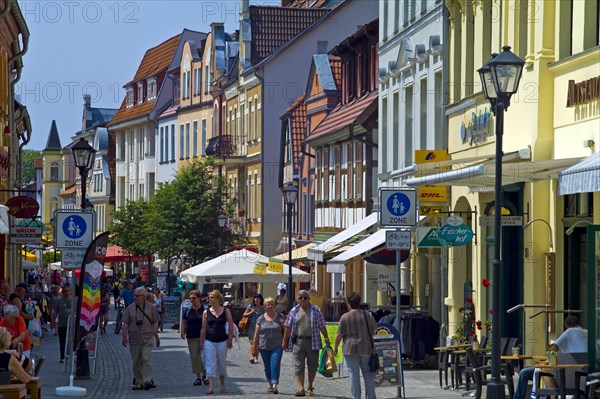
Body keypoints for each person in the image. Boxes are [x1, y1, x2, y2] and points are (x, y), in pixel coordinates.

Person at [513, 315, 588, 399]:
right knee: (535, 371)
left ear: (567, 325)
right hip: (583, 372)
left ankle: (553, 395)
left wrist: (548, 347)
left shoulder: (569, 331)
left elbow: (553, 348)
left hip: (566, 374)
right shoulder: (586, 332)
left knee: (533, 371)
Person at [282, 289, 330, 397]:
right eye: (301, 298)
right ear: (297, 299)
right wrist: (284, 340)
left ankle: (310, 385)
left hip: (313, 341)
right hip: (298, 341)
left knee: (312, 366)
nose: (303, 299)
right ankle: (300, 388)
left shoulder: (316, 310)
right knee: (298, 365)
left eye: (305, 297)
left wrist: (326, 337)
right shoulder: (294, 311)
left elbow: (322, 325)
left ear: (309, 299)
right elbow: (288, 327)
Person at [334, 292, 378, 399]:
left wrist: (335, 347)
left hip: (350, 349)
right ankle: (371, 397)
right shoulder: (368, 315)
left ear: (348, 303)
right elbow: (375, 329)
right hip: (366, 348)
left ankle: (357, 397)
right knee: (367, 373)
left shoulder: (345, 317)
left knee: (353, 374)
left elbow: (339, 334)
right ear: (360, 302)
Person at [121, 287, 160, 391]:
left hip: (147, 337)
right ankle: (139, 382)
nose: (135, 297)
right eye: (134, 295)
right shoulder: (129, 308)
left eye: (137, 296)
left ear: (143, 297)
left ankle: (148, 380)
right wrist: (124, 336)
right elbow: (125, 323)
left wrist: (155, 332)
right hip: (134, 338)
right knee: (136, 361)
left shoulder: (151, 307)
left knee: (146, 358)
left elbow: (156, 321)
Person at [200, 289, 234, 395]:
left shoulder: (225, 311)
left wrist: (230, 339)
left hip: (222, 341)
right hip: (209, 340)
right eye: (209, 297)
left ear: (218, 299)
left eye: (212, 297)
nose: (210, 299)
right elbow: (203, 328)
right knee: (210, 363)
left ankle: (223, 385)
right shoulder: (206, 312)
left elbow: (231, 325)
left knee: (222, 363)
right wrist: (201, 341)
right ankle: (211, 387)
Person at [251, 296, 285, 394]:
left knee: (275, 363)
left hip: (277, 345)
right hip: (263, 346)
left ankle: (275, 385)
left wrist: (283, 326)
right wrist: (254, 347)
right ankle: (270, 383)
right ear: (264, 306)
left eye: (271, 304)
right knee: (267, 366)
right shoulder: (260, 319)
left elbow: (286, 329)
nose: (269, 306)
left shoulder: (280, 316)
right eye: (267, 304)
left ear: (274, 305)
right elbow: (256, 334)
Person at [181, 290, 207, 386]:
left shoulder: (205, 309)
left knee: (204, 356)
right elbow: (184, 321)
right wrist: (182, 330)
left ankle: (205, 376)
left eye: (193, 298)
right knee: (195, 357)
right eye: (190, 298)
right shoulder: (187, 309)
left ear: (199, 298)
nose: (191, 300)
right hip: (191, 335)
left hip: (204, 336)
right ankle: (198, 377)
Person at [51, 285, 71, 362]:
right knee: (62, 341)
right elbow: (55, 312)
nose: (66, 293)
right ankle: (62, 356)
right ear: (62, 292)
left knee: (71, 342)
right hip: (62, 325)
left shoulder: (74, 301)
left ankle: (70, 356)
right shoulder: (60, 301)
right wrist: (52, 321)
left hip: (72, 325)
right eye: (65, 291)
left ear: (70, 291)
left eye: (68, 291)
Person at [243, 293, 264, 364]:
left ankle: (256, 358)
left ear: (261, 300)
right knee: (252, 342)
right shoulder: (250, 306)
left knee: (257, 343)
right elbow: (244, 315)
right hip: (251, 326)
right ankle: (253, 356)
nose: (256, 299)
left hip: (260, 327)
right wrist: (250, 312)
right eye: (255, 298)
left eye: (258, 298)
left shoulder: (263, 307)